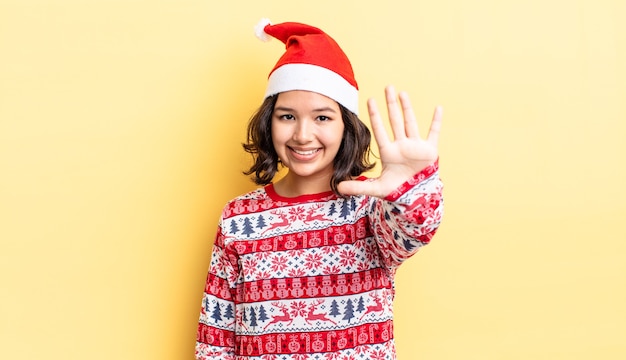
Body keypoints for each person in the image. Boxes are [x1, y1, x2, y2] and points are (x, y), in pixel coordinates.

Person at [195, 18, 443, 360]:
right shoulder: (238, 218)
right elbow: (215, 338)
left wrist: (413, 188)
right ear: (269, 122)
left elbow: (416, 228)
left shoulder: (371, 209)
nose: (302, 135)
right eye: (287, 116)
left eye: (322, 118)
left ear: (347, 126)